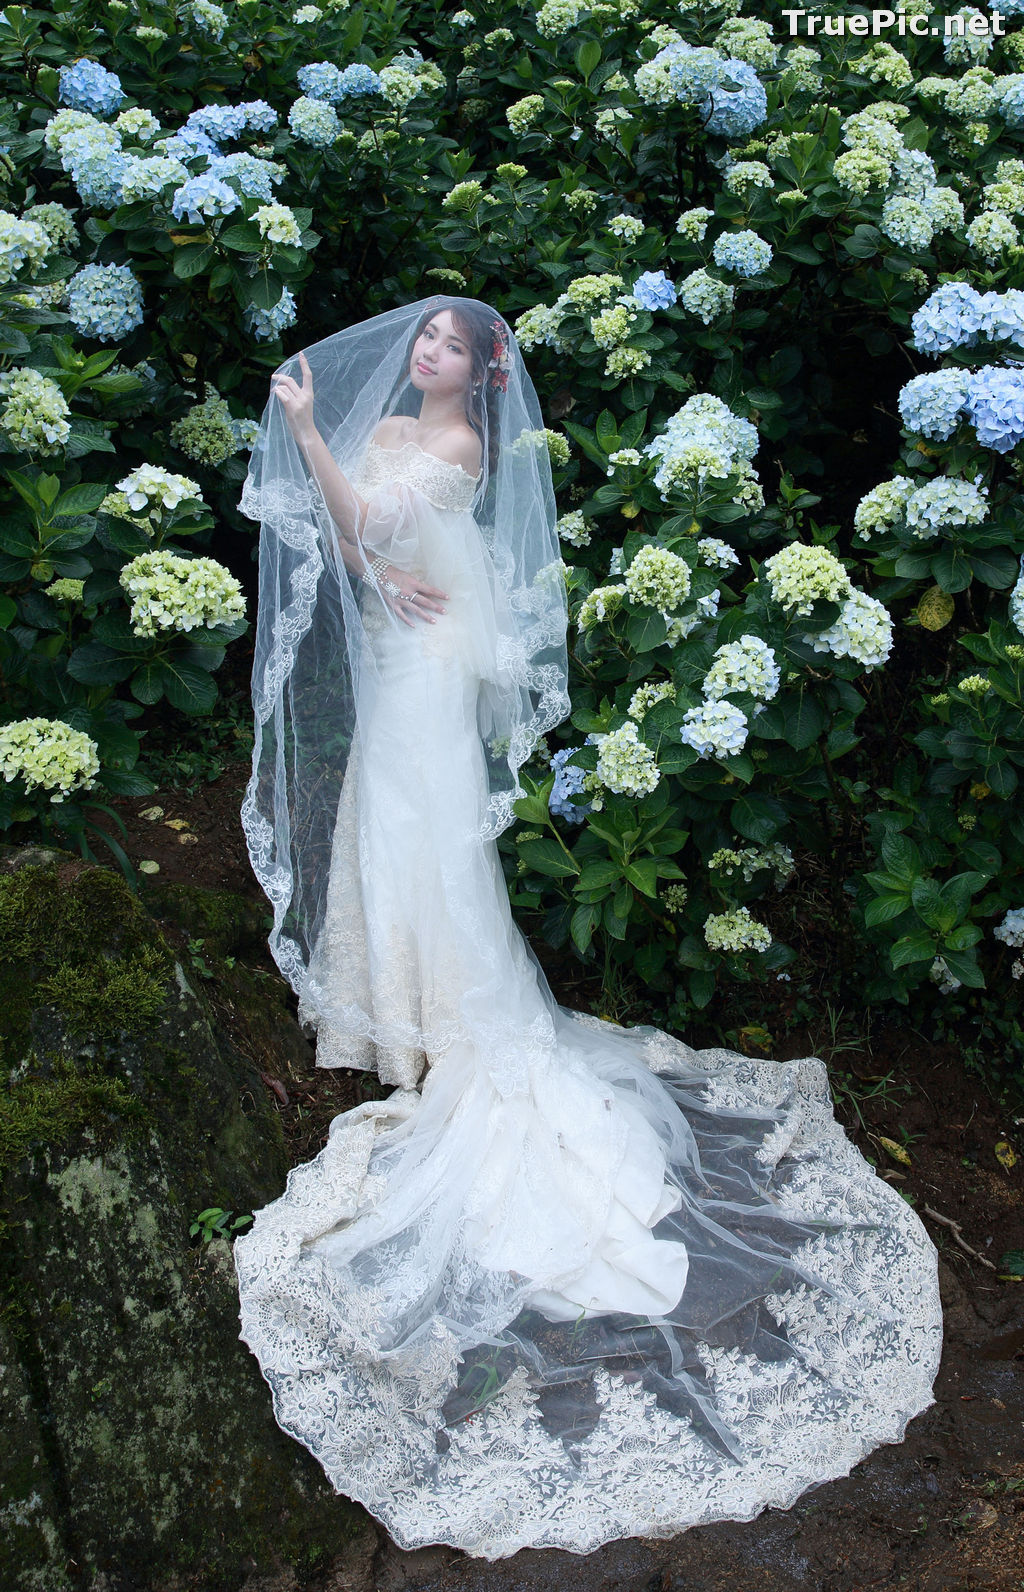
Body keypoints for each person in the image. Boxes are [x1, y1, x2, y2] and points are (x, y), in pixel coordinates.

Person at [234, 296, 942, 1560]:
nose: (425, 355)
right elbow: (361, 553)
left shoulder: (455, 451)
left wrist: (302, 428)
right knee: (383, 821)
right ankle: (383, 1011)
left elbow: (357, 510)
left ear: (483, 372)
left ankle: (438, 1025)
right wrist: (381, 570)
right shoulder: (396, 422)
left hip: (431, 681)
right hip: (411, 647)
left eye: (449, 346)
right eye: (425, 340)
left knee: (425, 827)